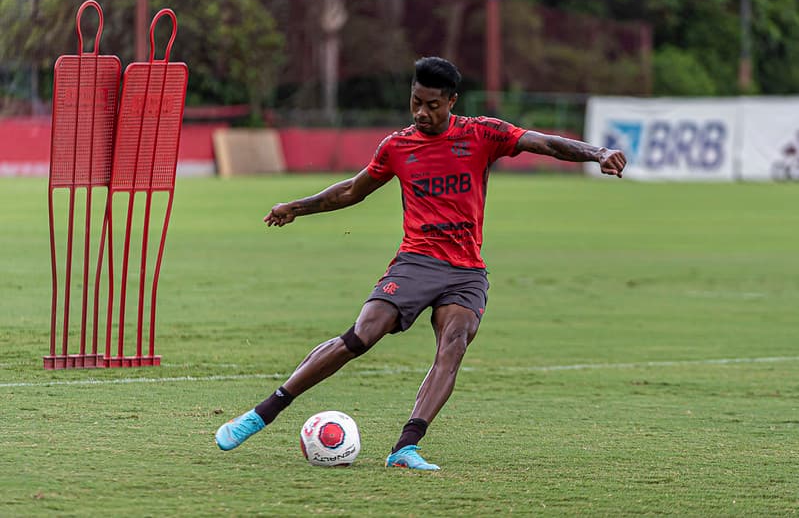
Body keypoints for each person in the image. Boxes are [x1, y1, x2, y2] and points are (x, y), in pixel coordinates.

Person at [215, 56, 626, 470]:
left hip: (466, 270)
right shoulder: (398, 146)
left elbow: (545, 142)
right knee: (362, 334)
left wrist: (599, 152)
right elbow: (351, 192)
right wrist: (296, 207)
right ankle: (261, 414)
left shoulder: (483, 133)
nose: (421, 113)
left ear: (452, 101)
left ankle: (405, 448)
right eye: (415, 102)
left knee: (454, 343)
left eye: (432, 105)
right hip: (417, 261)